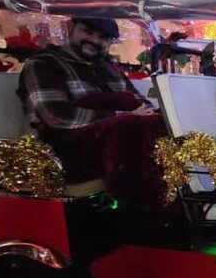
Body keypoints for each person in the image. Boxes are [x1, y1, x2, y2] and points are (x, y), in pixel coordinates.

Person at [18, 16, 165, 206]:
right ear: (71, 28)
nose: (94, 40)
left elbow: (140, 104)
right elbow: (55, 116)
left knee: (161, 125)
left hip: (120, 148)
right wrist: (122, 117)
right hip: (67, 153)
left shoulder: (108, 69)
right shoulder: (43, 65)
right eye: (87, 32)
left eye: (103, 37)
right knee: (133, 128)